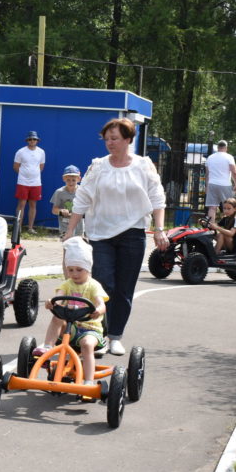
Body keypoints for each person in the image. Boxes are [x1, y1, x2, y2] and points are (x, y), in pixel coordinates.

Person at [61, 118, 168, 356]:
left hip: (133, 233)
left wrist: (159, 229)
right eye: (107, 139)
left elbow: (157, 198)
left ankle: (115, 336)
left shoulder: (143, 166)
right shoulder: (98, 166)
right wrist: (71, 230)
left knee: (123, 288)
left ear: (128, 140)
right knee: (103, 283)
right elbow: (83, 198)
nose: (109, 143)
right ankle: (97, 335)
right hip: (100, 234)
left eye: (115, 139)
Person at [34, 237, 107, 397]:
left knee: (87, 345)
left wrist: (98, 310)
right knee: (57, 317)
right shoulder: (67, 285)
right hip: (70, 328)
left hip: (90, 329)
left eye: (79, 269)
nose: (74, 274)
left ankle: (88, 382)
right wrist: (51, 303)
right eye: (70, 270)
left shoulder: (93, 285)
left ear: (88, 268)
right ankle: (47, 347)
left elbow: (101, 303)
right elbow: (58, 297)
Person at [13, 130, 45, 233]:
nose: (32, 141)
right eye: (30, 139)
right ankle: (18, 227)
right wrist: (24, 175)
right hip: (23, 182)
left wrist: (32, 175)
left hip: (36, 183)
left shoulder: (41, 152)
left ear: (37, 140)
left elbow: (41, 166)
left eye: (34, 139)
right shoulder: (21, 151)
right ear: (27, 140)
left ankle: (30, 228)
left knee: (33, 204)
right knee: (21, 204)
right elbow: (16, 167)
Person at [205, 139, 236, 220]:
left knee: (212, 207)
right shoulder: (229, 157)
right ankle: (229, 226)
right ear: (226, 148)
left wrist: (206, 186)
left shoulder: (210, 157)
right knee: (228, 207)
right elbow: (234, 172)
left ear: (218, 147)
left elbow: (207, 174)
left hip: (212, 183)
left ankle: (211, 227)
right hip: (225, 184)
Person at [50, 165, 84, 240]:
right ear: (63, 179)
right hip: (64, 226)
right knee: (66, 245)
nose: (71, 182)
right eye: (68, 180)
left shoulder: (82, 192)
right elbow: (54, 210)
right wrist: (61, 211)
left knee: (79, 247)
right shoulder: (59, 192)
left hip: (79, 227)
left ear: (79, 179)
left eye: (73, 180)